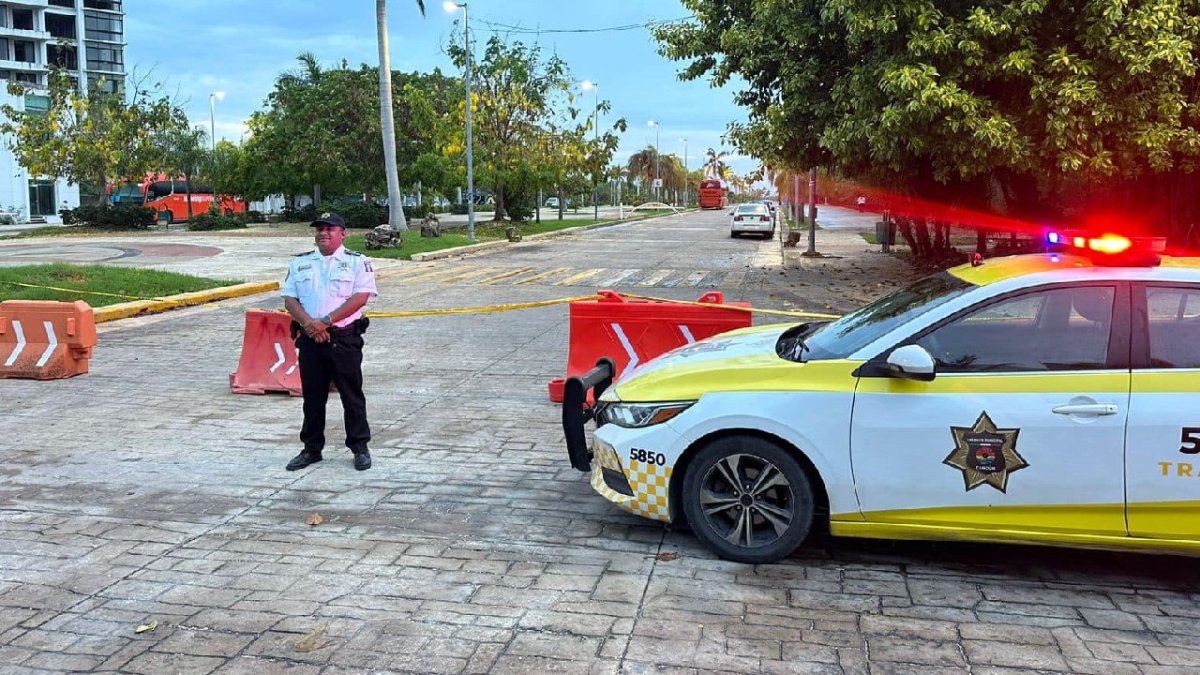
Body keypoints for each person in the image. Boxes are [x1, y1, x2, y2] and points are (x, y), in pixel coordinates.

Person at [281, 212, 378, 471]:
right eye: (319, 229)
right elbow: (290, 299)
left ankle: (359, 446)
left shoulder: (358, 262)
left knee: (351, 395)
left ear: (342, 233)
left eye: (329, 229)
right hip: (311, 340)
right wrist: (310, 326)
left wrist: (325, 321)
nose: (323, 233)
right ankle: (311, 449)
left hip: (343, 339)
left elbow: (360, 297)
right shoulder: (300, 263)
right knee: (312, 398)